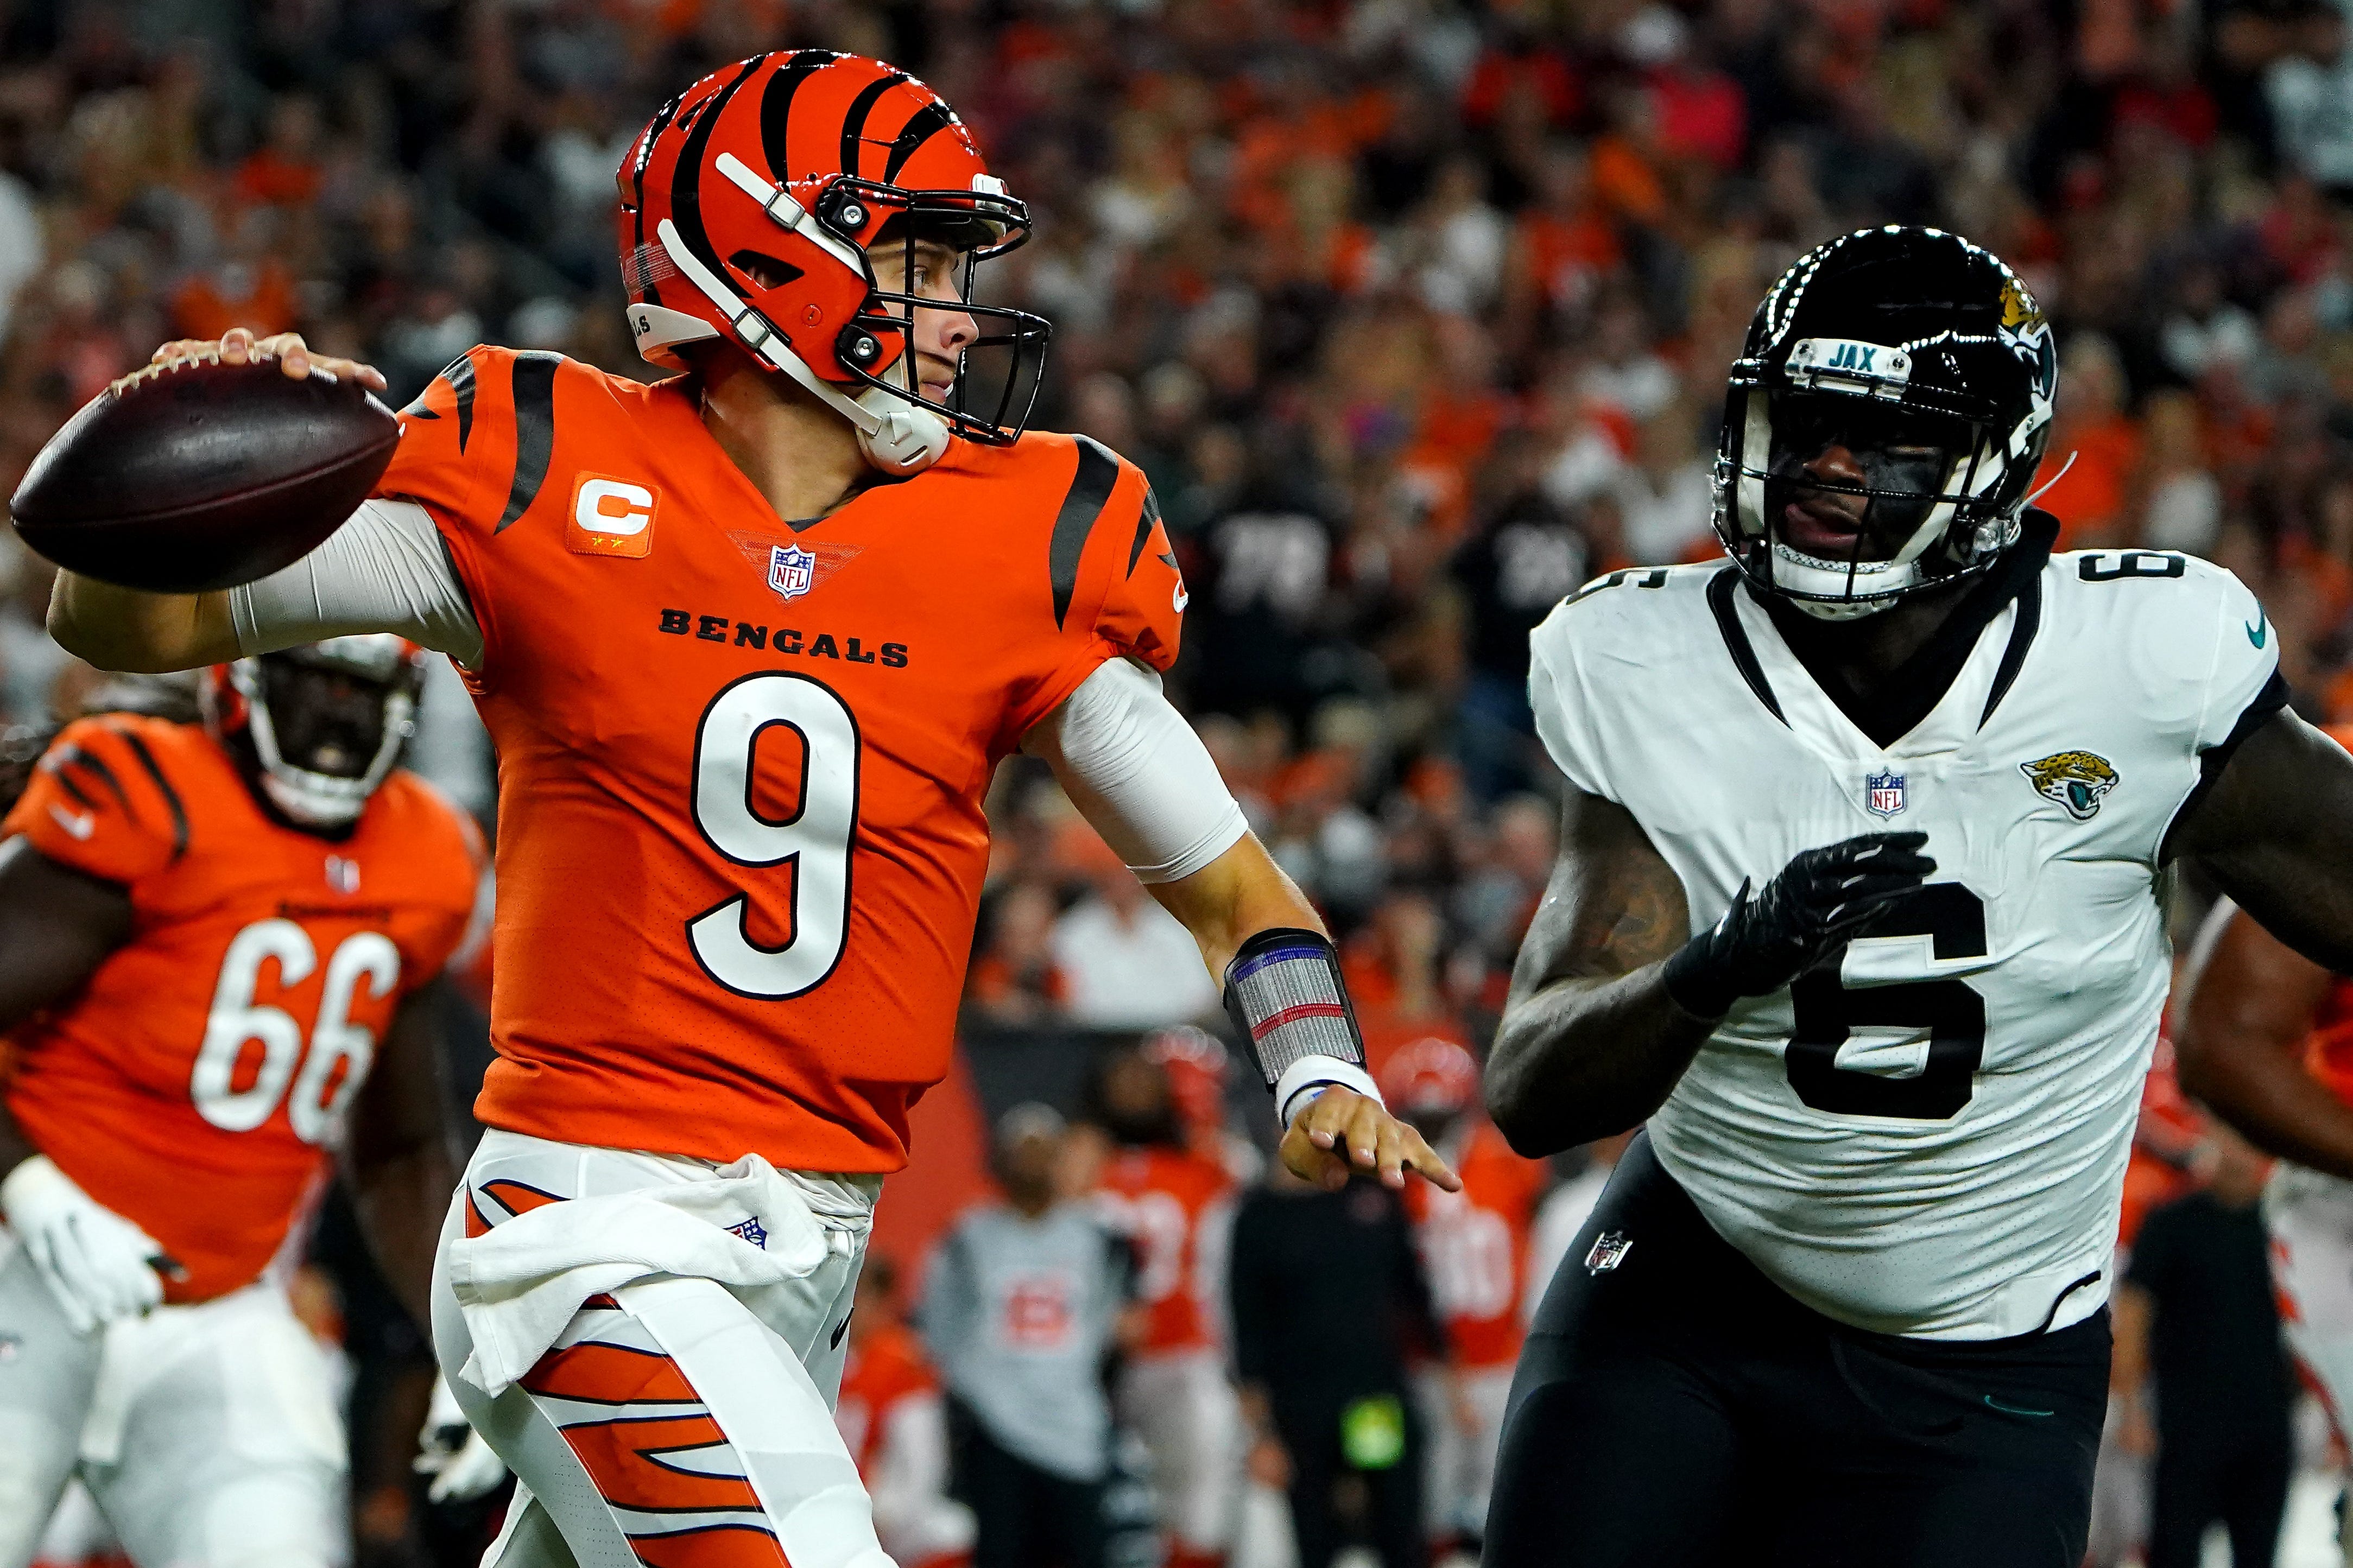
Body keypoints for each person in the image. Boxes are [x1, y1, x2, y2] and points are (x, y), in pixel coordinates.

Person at [45, 51, 1456, 1564]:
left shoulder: (1023, 539)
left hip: (810, 1249)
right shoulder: (546, 470)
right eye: (916, 259)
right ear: (772, 254)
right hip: (591, 1223)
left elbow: (1235, 888)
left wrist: (1316, 1076)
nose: (957, 312)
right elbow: (130, 621)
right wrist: (166, 439)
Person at [1481, 224, 2353, 1568]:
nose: (1827, 463)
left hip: (1986, 1344)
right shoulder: (1644, 658)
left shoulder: (2140, 669)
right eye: (1807, 419)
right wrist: (1712, 968)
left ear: (1992, 462)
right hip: (1695, 1284)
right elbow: (1533, 1086)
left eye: (1881, 436)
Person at [0, 637, 483, 1567]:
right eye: (317, 684)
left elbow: (401, 1149)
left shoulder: (426, 854)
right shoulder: (152, 794)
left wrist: (464, 1341)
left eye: (364, 693)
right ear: (242, 679)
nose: (339, 719)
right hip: (28, 1267)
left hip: (226, 1304)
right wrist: (32, 1190)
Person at [922, 1105, 1138, 1568]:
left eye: (1043, 1152)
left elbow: (1117, 1325)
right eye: (1023, 1152)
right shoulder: (968, 1236)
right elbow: (939, 1326)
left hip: (1075, 1425)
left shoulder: (1099, 1237)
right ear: (999, 1159)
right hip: (995, 1425)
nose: (1033, 1164)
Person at [1230, 1158, 1440, 1568]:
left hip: (1372, 1399)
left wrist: (1454, 1382)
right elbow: (1247, 1328)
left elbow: (1414, 1294)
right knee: (1316, 1541)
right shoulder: (1259, 1215)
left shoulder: (1370, 1197)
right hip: (1302, 1409)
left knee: (1397, 1531)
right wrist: (1261, 1434)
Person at [1382, 1038, 1544, 1561]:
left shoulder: (1506, 1159)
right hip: (1429, 1362)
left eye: (1441, 1113)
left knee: (1506, 1490)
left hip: (1501, 1354)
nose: (1433, 1125)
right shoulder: (1390, 1175)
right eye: (1424, 1114)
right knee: (1432, 1490)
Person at [1087, 1046, 1243, 1568]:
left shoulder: (1210, 1169)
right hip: (1102, 1361)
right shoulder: (1086, 1167)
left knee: (1201, 1498)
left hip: (1187, 1352)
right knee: (1110, 1507)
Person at [2113, 1127, 2294, 1568]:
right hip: (2188, 1424)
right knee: (2174, 1550)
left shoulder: (2283, 1226)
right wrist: (2132, 1406)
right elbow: (2134, 1313)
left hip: (2268, 1422)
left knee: (2258, 1553)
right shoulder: (2173, 1221)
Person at [836, 1258, 973, 1568]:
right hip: (827, 1503)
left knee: (950, 1532)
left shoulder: (902, 1365)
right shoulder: (818, 1354)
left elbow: (919, 1467)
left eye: (858, 1294)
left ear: (884, 1302)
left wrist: (879, 1515)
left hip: (881, 1512)